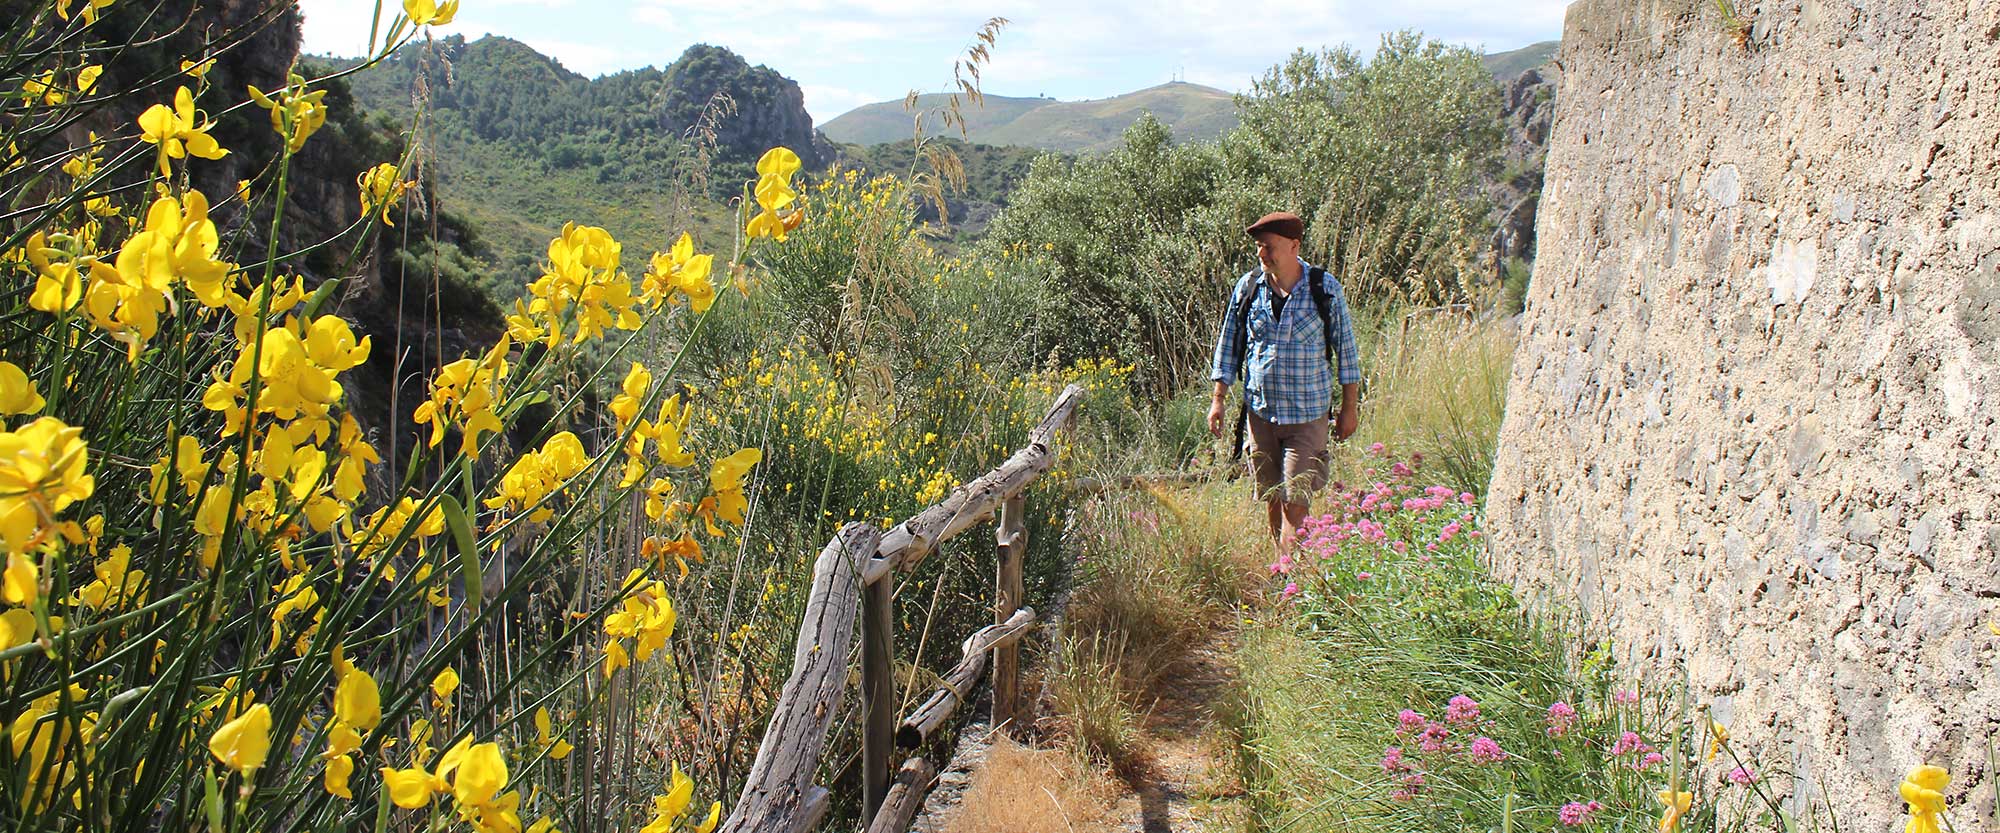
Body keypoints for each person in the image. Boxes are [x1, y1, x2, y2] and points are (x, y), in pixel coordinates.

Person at [1206, 211, 1361, 554]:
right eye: (1259, 247)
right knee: (1272, 495)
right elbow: (1229, 344)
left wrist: (1349, 409)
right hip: (1260, 414)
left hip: (1307, 417)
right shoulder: (1249, 288)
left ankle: (1293, 576)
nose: (1262, 254)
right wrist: (1218, 399)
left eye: (1268, 247)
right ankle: (1281, 563)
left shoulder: (1324, 289)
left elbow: (1347, 354)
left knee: (1296, 499)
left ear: (1294, 246)